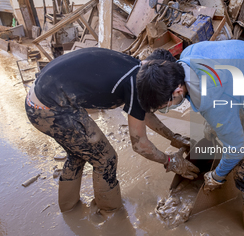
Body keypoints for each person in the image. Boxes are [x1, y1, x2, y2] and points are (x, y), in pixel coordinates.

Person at [136, 40, 244, 234]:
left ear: (177, 91)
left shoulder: (214, 99)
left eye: (164, 107)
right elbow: (222, 96)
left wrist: (216, 177)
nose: (166, 109)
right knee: (217, 131)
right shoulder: (189, 56)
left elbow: (236, 148)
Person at [25, 47, 199, 215]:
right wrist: (170, 161)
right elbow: (140, 145)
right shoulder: (138, 87)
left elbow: (142, 113)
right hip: (50, 109)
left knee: (79, 153)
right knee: (105, 158)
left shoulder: (139, 71)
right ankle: (111, 214)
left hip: (40, 96)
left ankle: (69, 208)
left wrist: (173, 137)